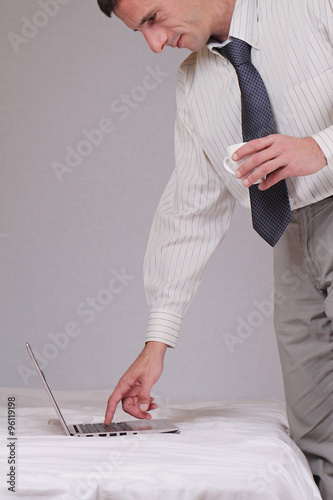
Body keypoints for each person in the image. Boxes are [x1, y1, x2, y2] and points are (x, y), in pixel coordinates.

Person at [97, 0, 333, 497]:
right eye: (140, 31)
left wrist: (322, 148)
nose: (154, 43)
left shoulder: (310, 7)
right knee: (317, 442)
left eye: (153, 19)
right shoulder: (195, 83)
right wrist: (155, 345)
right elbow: (191, 209)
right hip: (291, 243)